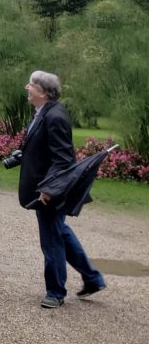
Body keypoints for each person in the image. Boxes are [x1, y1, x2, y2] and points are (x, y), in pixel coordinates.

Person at [19, 70, 106, 309]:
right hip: (44, 186)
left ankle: (55, 292)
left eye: (32, 85)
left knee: (51, 240)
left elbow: (63, 160)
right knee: (60, 233)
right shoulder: (41, 112)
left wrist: (49, 190)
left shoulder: (55, 116)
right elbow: (42, 148)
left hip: (50, 191)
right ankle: (93, 278)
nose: (27, 87)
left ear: (44, 92)